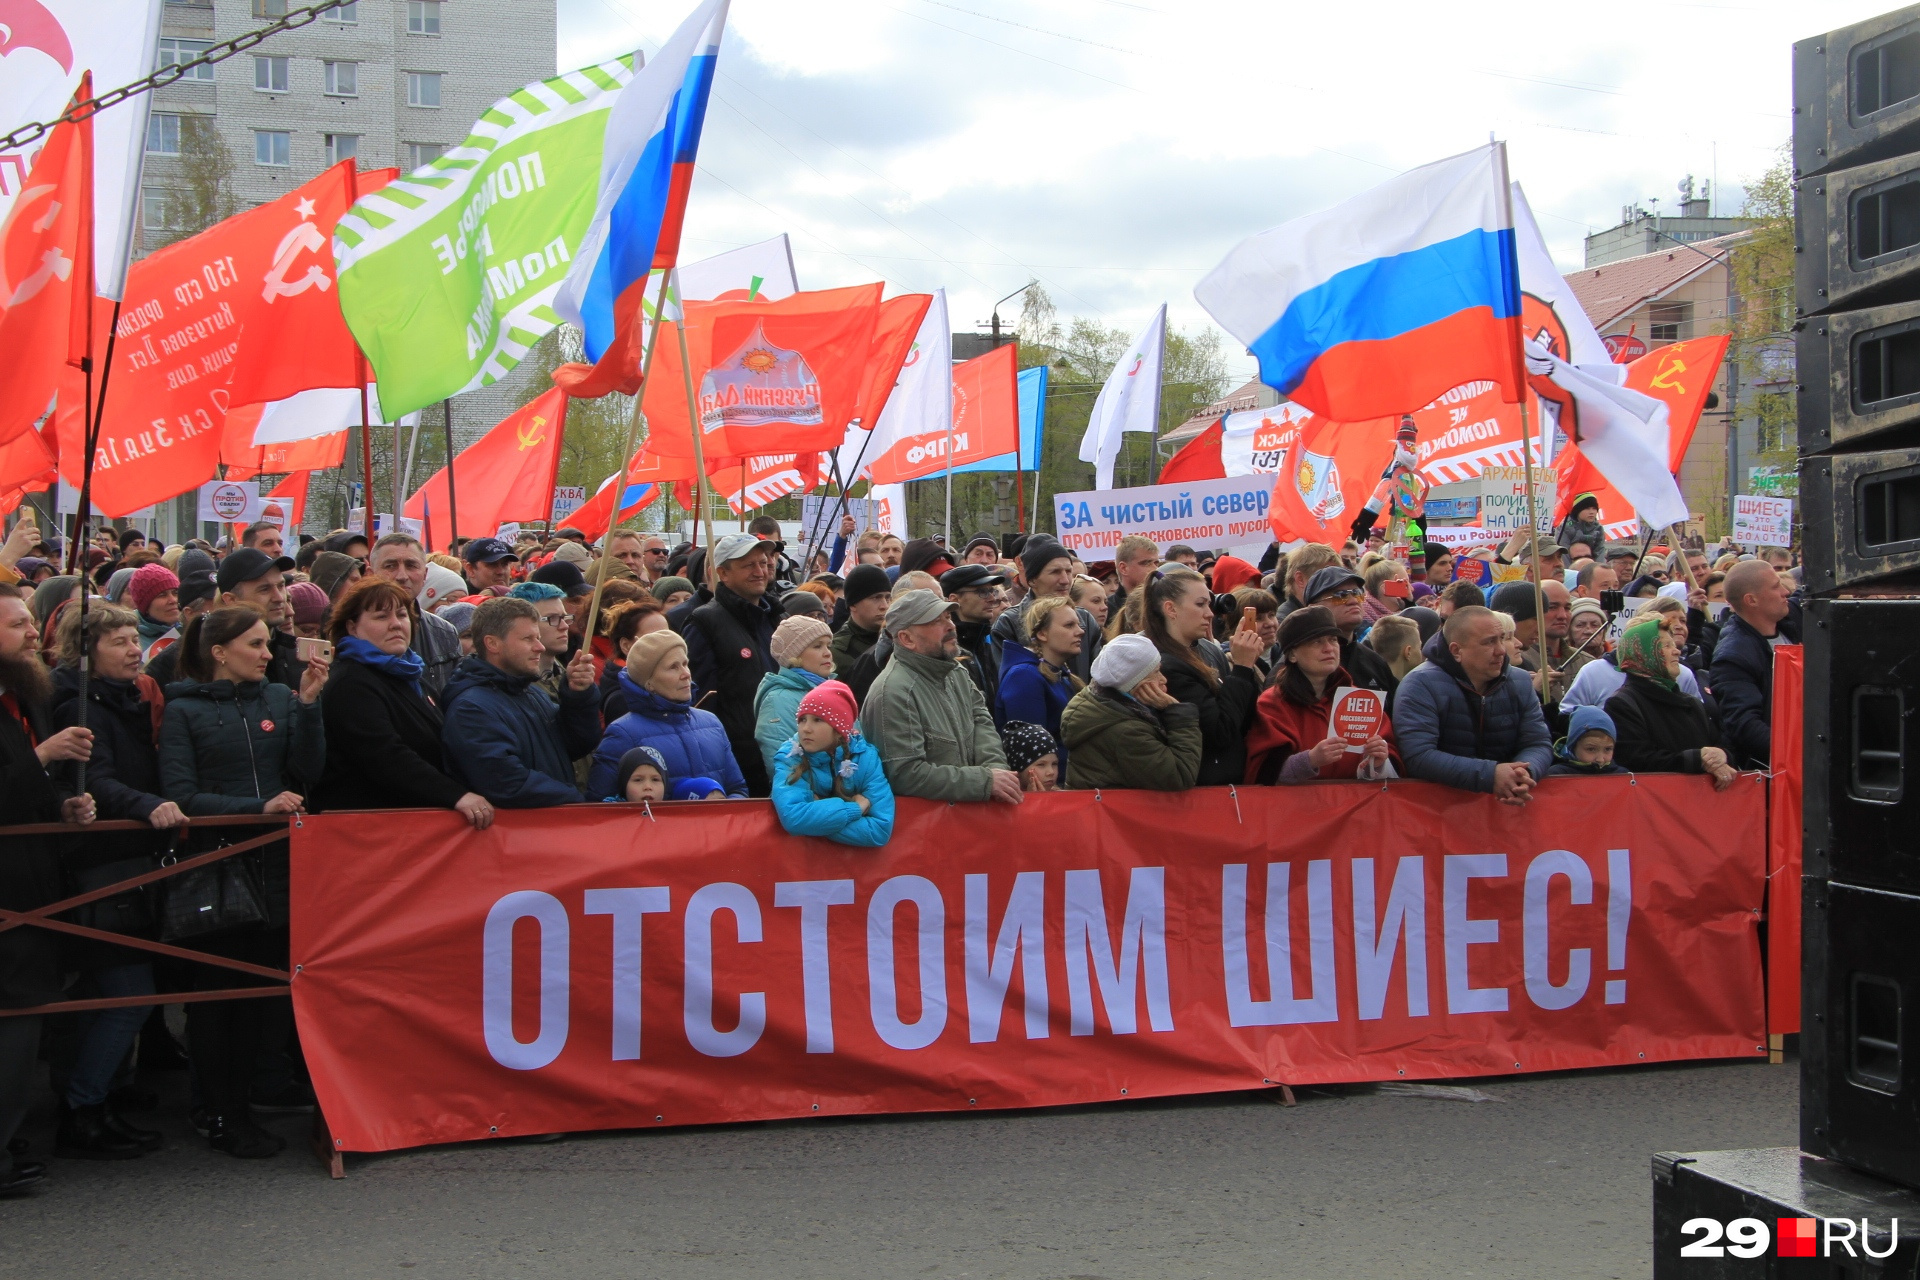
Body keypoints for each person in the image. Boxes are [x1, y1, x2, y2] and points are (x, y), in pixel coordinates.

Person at [159, 604, 328, 1159]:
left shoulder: (279, 697)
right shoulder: (184, 710)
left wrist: (307, 705)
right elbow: (182, 793)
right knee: (217, 1001)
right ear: (218, 652)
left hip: (278, 865)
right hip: (217, 868)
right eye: (255, 645)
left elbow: (309, 769)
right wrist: (259, 806)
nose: (266, 654)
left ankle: (245, 1101)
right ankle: (218, 1110)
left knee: (264, 996)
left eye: (266, 644)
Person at [46, 603, 172, 1160]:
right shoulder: (77, 704)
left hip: (130, 856)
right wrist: (150, 805)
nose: (131, 649)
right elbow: (93, 779)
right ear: (87, 649)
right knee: (127, 992)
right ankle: (83, 1107)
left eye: (132, 639)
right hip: (101, 858)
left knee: (116, 992)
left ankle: (103, 1093)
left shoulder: (128, 697)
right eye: (118, 640)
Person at [0, 590, 95, 1195]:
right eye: (16, 625)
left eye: (30, 622)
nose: (32, 633)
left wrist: (65, 803)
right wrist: (43, 756)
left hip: (31, 881)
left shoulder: (20, 697)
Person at [311, 577, 494, 826]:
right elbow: (385, 756)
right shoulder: (351, 682)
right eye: (381, 617)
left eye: (402, 615)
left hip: (410, 824)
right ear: (353, 627)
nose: (396, 624)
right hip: (368, 830)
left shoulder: (410, 675)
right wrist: (456, 795)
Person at [858, 589, 1020, 804]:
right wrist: (983, 781)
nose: (951, 626)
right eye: (935, 621)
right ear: (907, 638)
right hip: (927, 831)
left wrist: (996, 771)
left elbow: (982, 724)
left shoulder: (956, 672)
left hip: (971, 818)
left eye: (948, 616)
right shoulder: (893, 692)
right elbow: (905, 775)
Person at [441, 597, 600, 808]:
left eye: (538, 638)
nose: (540, 647)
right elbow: (507, 783)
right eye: (528, 639)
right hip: (518, 835)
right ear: (493, 644)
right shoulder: (470, 709)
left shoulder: (529, 692)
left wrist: (578, 694)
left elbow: (576, 744)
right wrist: (576, 801)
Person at [1394, 606, 1553, 803]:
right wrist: (1490, 775)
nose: (1501, 650)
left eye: (1501, 638)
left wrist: (1524, 773)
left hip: (1507, 813)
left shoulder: (1519, 681)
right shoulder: (1420, 685)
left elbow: (1538, 742)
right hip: (1437, 815)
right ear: (1456, 650)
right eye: (1489, 642)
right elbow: (1418, 756)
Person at [1245, 607, 1396, 785]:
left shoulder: (1361, 700)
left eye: (1333, 640)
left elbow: (1392, 772)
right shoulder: (1272, 704)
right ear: (1292, 654)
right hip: (1294, 810)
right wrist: (1310, 760)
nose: (1328, 648)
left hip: (1356, 808)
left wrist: (1378, 762)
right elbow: (1262, 776)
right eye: (1316, 642)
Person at [591, 630, 748, 799]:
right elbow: (601, 806)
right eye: (673, 667)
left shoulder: (711, 722)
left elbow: (737, 789)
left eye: (685, 663)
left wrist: (721, 815)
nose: (686, 674)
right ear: (649, 682)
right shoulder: (623, 734)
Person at [1142, 568, 1262, 786]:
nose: (1210, 613)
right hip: (1201, 791)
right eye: (1200, 604)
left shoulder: (1201, 652)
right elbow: (1219, 732)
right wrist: (1242, 667)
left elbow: (1244, 718)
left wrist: (1246, 668)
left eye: (1209, 603)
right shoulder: (1165, 667)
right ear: (1170, 609)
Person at [682, 532, 781, 796]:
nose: (760, 571)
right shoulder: (705, 622)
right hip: (739, 762)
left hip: (783, 756)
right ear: (723, 573)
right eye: (748, 565)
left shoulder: (777, 618)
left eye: (763, 562)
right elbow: (700, 702)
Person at [1606, 613, 1739, 789]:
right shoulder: (1622, 704)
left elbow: (1721, 743)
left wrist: (1722, 755)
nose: (1676, 650)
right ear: (1643, 653)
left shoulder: (1692, 703)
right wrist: (1697, 759)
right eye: (1666, 645)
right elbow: (1638, 761)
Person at [1058, 632, 1202, 790]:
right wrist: (1178, 714)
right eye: (1155, 672)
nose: (1163, 679)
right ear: (1134, 682)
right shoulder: (1126, 731)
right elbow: (1180, 775)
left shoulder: (1102, 701)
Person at [771, 680, 894, 847]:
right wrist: (855, 810)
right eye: (802, 720)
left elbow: (879, 830)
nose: (806, 728)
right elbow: (793, 818)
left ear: (839, 728)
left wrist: (817, 817)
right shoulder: (790, 756)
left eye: (817, 720)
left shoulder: (866, 757)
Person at [1711, 560, 1798, 769]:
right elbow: (1745, 725)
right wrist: (1799, 753)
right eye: (1776, 587)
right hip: (1780, 773)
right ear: (1751, 600)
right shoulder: (1732, 657)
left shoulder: (1796, 621)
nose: (1786, 592)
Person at [368, 533, 462, 698]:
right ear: (370, 573)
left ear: (425, 575)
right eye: (390, 566)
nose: (402, 576)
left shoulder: (445, 632)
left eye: (411, 566)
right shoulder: (357, 631)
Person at [999, 594, 1084, 771]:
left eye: (1078, 624)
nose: (1080, 631)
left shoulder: (1060, 674)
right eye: (1069, 625)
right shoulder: (1024, 677)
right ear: (1042, 634)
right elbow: (1032, 753)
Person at [753, 615, 835, 779]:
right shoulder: (778, 700)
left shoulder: (834, 691)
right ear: (794, 656)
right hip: (809, 799)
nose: (827, 653)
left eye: (828, 646)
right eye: (817, 646)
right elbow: (785, 770)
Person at [1301, 565, 1400, 697]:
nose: (1353, 601)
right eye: (1341, 596)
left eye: (1357, 594)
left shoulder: (1374, 662)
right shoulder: (1300, 663)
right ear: (1313, 607)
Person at [942, 562, 1011, 719]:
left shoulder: (987, 637)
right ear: (954, 599)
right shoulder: (945, 645)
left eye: (991, 591)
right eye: (982, 592)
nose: (992, 598)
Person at [831, 563, 890, 681]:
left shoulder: (898, 638)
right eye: (876, 598)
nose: (885, 606)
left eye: (887, 597)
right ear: (853, 604)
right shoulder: (837, 652)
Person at [126, 562, 182, 666]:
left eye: (175, 593)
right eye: (162, 595)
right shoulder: (131, 638)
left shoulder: (187, 630)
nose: (173, 600)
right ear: (145, 605)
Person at [1548, 706, 1626, 776]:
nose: (1600, 759)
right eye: (1591, 749)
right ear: (1573, 747)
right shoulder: (1557, 775)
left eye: (1608, 749)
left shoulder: (1622, 775)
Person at [1107, 535, 1159, 622]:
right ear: (1123, 568)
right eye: (1146, 563)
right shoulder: (1107, 609)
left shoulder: (1163, 603)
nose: (1155, 569)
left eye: (1156, 563)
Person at [1002, 720, 1061, 792]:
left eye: (1054, 764)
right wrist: (1032, 799)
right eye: (1041, 764)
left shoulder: (1062, 798)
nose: (1051, 772)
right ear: (1017, 770)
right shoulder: (1004, 800)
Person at [1366, 613, 1424, 682]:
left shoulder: (1369, 685)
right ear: (1408, 652)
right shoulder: (1409, 690)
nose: (1422, 653)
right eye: (1419, 648)